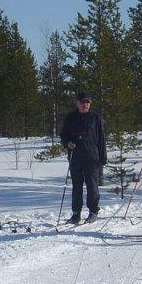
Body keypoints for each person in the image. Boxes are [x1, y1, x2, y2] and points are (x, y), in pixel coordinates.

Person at [59, 91, 107, 224]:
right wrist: (67, 143)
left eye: (88, 102)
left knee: (92, 185)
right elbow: (63, 135)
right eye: (83, 102)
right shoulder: (71, 117)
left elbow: (101, 138)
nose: (85, 104)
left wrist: (103, 157)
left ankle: (93, 211)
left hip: (91, 157)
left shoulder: (95, 118)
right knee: (77, 186)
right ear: (77, 103)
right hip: (75, 157)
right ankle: (76, 213)